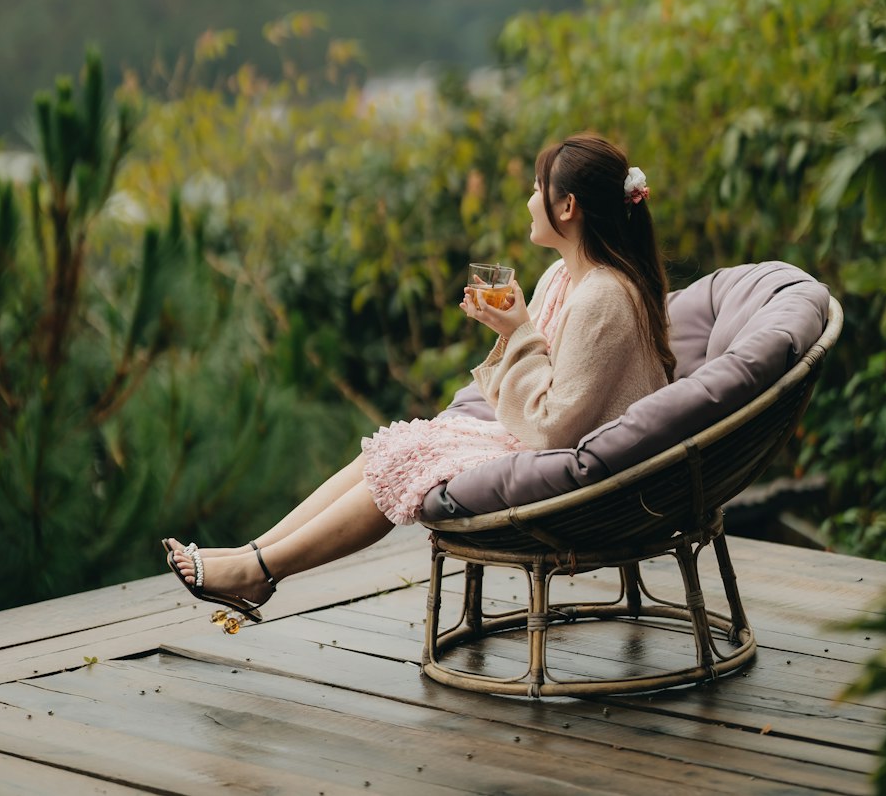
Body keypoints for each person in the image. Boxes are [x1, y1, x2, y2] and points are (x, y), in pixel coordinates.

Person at [163, 133, 675, 628]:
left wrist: (519, 332)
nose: (528, 201)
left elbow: (552, 428)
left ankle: (259, 571)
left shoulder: (604, 295)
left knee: (408, 455)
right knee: (390, 445)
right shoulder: (562, 278)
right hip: (545, 447)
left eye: (538, 189)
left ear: (568, 207)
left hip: (589, 481)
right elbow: (520, 396)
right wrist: (508, 331)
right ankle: (253, 557)